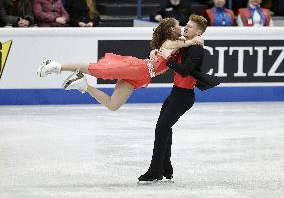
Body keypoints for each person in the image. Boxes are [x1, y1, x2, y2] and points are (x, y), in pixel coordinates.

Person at [37, 18, 203, 111]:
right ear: (171, 30)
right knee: (99, 70)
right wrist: (197, 39)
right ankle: (56, 66)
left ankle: (83, 85)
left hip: (143, 75)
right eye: (178, 26)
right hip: (141, 69)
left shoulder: (174, 41)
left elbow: (174, 48)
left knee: (113, 105)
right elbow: (186, 44)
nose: (181, 28)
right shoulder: (172, 42)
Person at [138, 15, 220, 183]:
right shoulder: (182, 42)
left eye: (190, 27)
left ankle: (155, 171)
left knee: (162, 128)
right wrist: (154, 52)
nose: (185, 28)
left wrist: (167, 59)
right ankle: (165, 169)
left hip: (184, 97)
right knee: (164, 128)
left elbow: (184, 70)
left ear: (198, 32)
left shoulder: (196, 49)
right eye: (186, 25)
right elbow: (161, 49)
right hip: (175, 93)